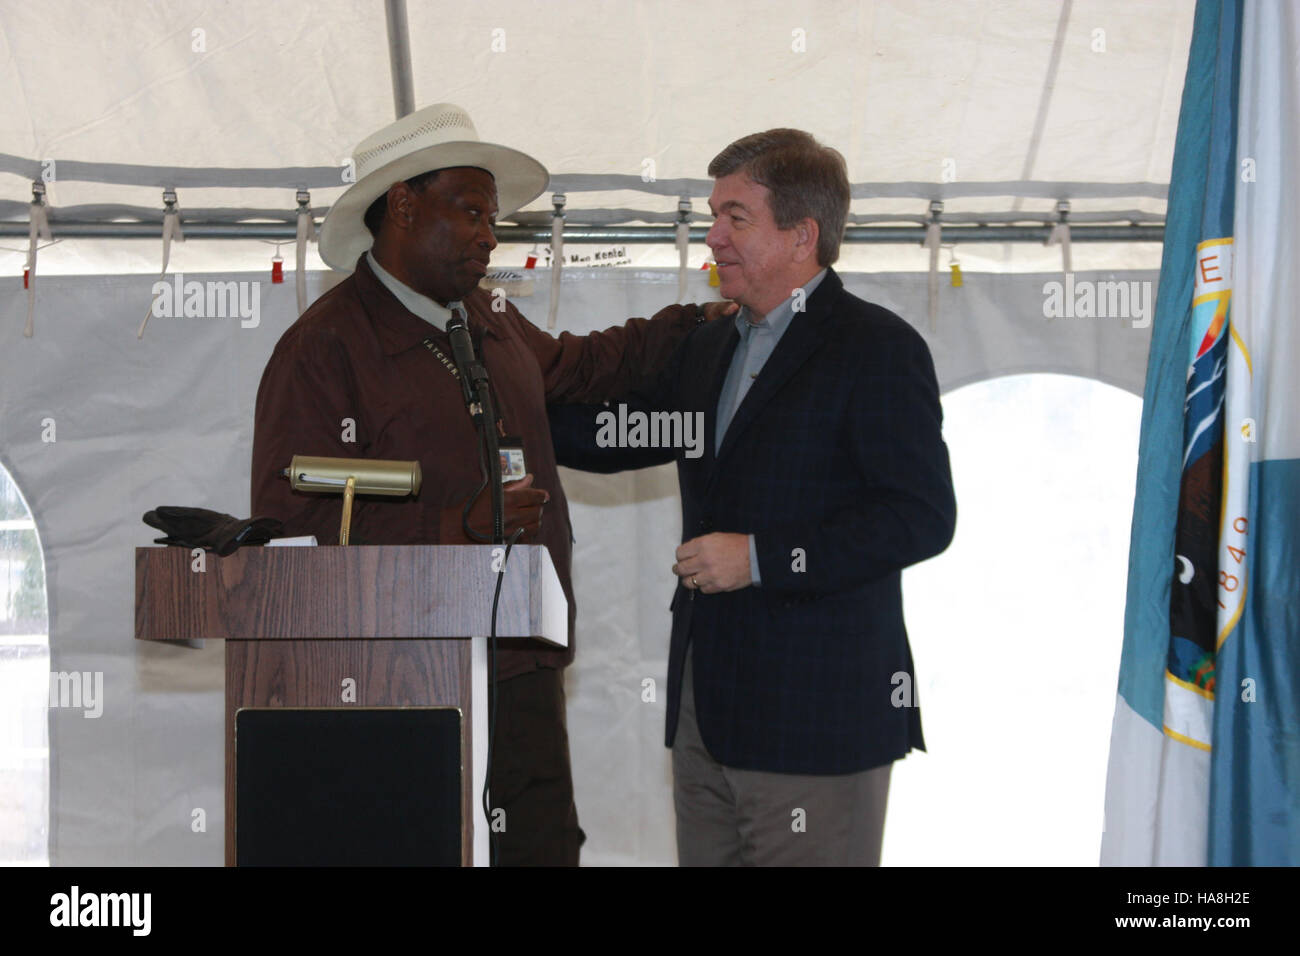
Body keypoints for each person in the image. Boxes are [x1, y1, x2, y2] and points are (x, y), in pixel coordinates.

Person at [250, 103, 718, 866]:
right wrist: (452, 529)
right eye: (470, 211)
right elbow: (288, 534)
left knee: (539, 849)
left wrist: (694, 327)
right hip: (401, 680)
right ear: (402, 204)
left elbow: (581, 365)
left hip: (519, 657)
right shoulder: (324, 348)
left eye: (492, 217)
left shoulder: (487, 317)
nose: (489, 235)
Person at [578, 128, 957, 865]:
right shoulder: (712, 344)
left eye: (735, 217)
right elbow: (613, 434)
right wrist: (490, 396)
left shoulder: (876, 348)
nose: (712, 236)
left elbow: (920, 516)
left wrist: (761, 558)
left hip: (816, 724)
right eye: (713, 215)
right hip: (705, 718)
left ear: (802, 234)